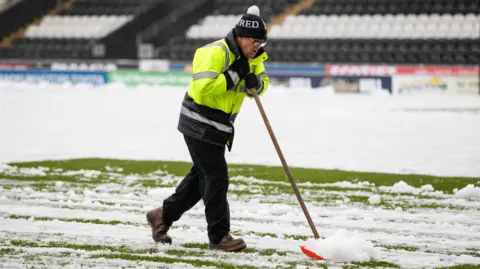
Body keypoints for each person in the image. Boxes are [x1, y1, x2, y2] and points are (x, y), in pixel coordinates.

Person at [146, 5, 269, 252]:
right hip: (198, 122)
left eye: (261, 42)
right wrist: (236, 75)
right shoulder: (214, 52)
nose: (258, 46)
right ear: (241, 37)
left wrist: (256, 83)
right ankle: (219, 236)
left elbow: (260, 85)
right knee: (215, 178)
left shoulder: (253, 57)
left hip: (219, 127)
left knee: (200, 180)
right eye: (254, 41)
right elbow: (203, 88)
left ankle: (161, 215)